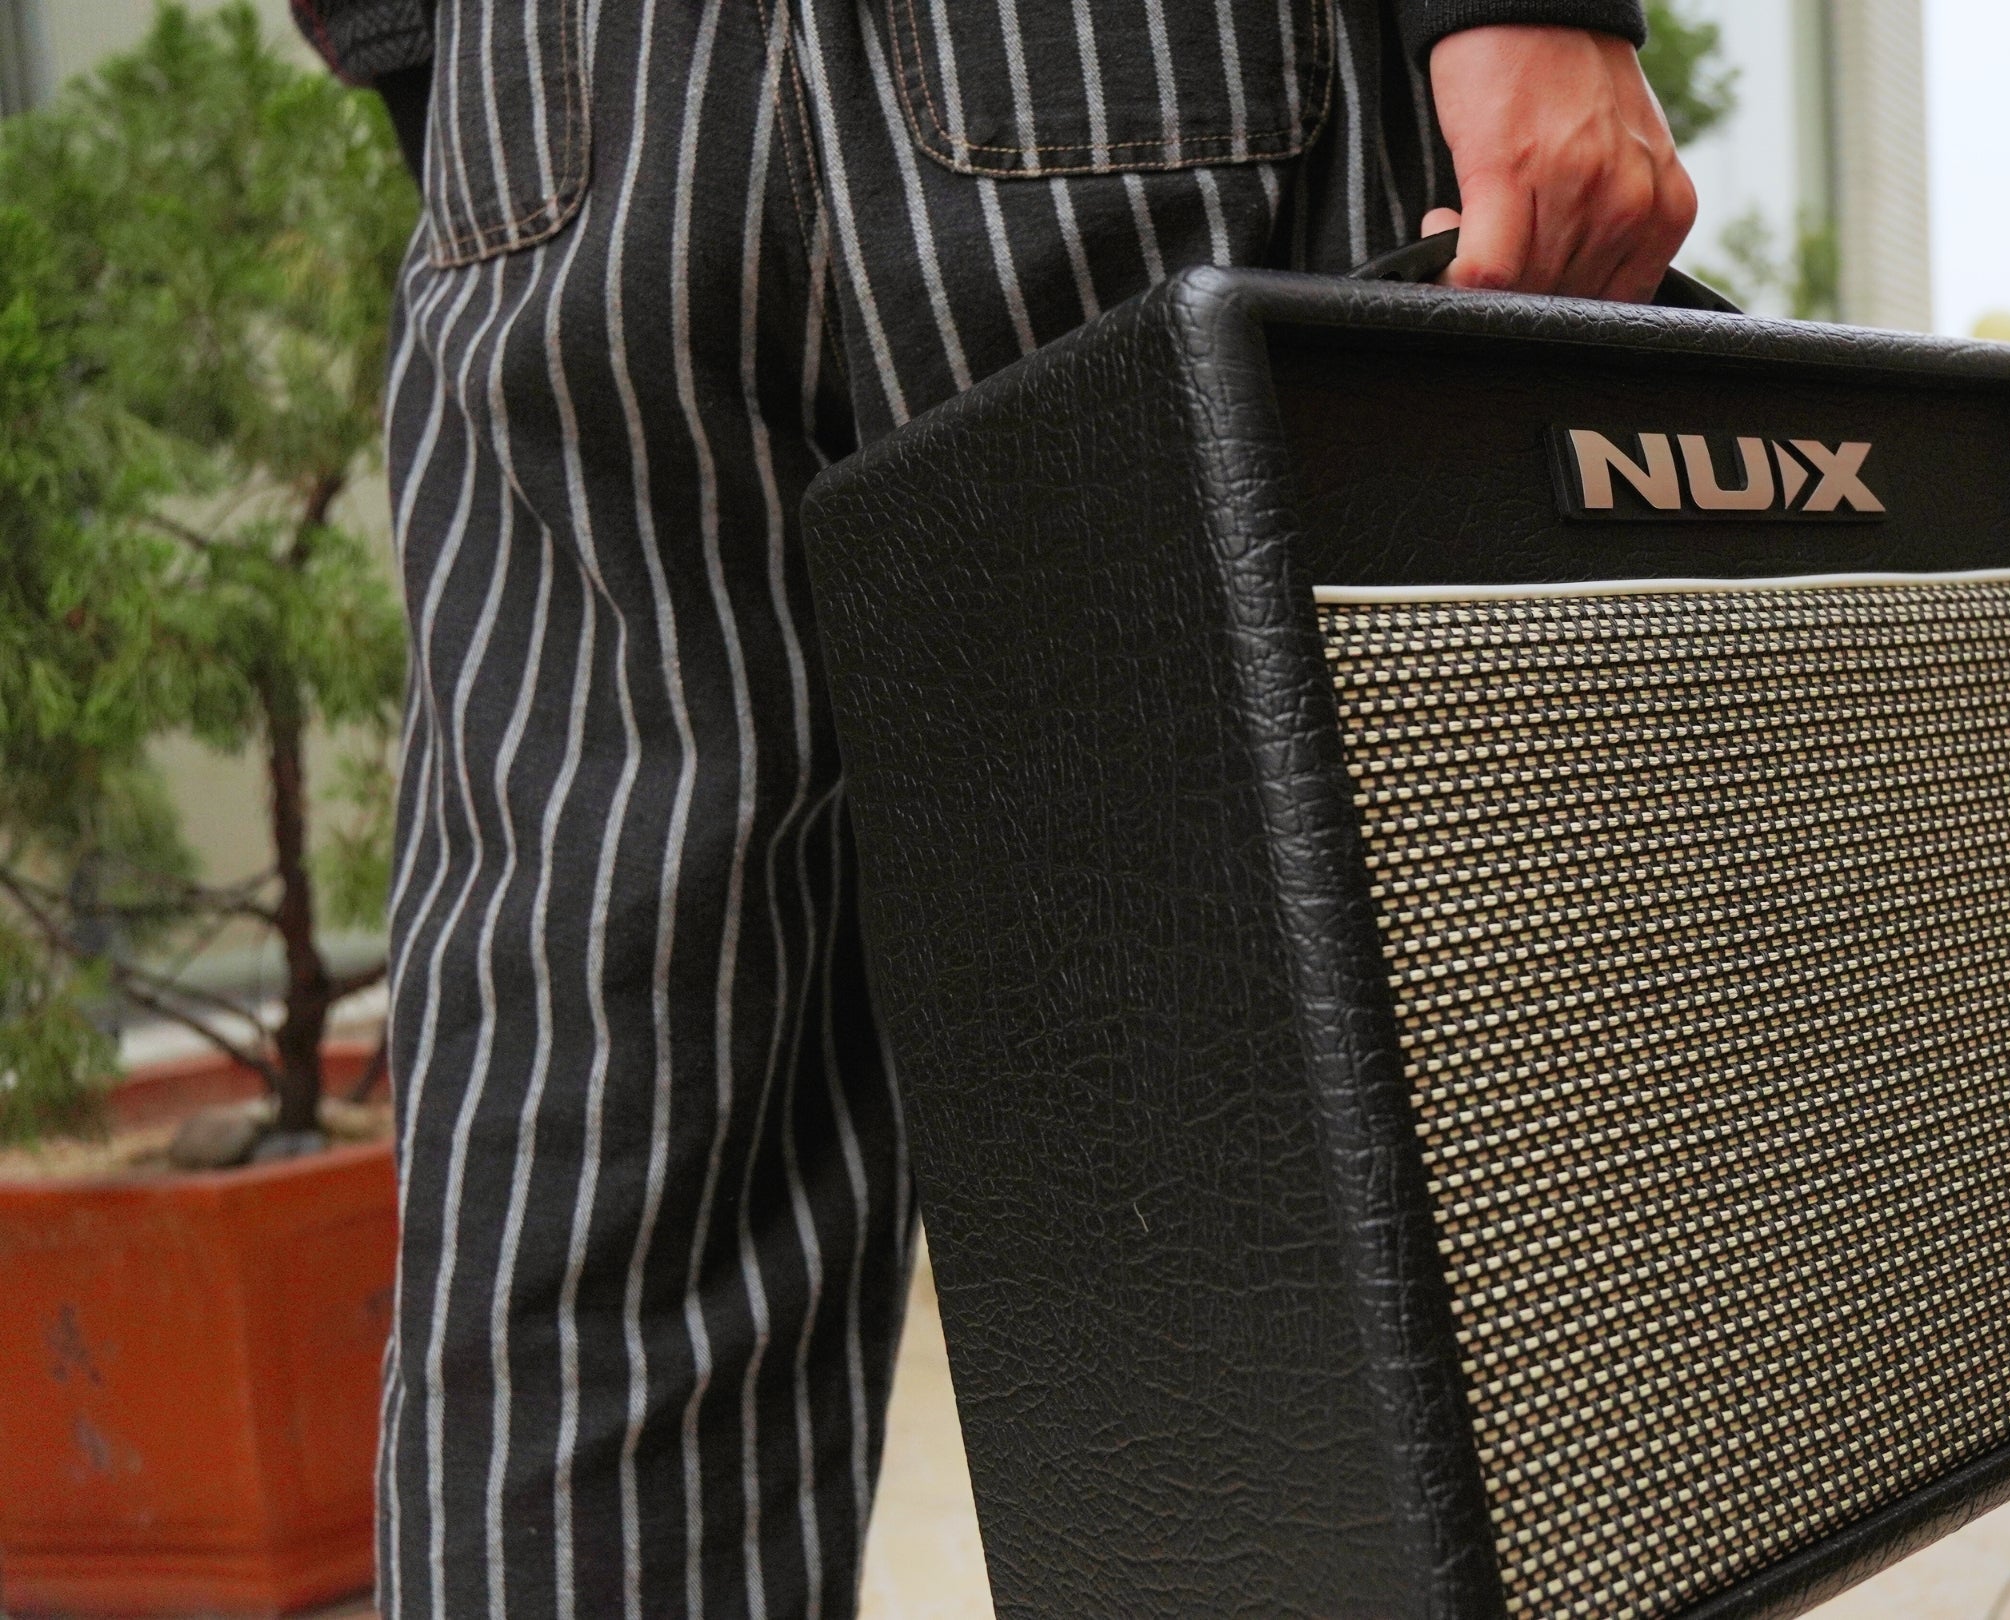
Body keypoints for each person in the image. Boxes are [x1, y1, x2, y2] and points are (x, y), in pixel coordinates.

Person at [282, 0, 1697, 1612]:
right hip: (1130, 72)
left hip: (558, 119)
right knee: (1252, 1236)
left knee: (586, 1234)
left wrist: (441, 69)